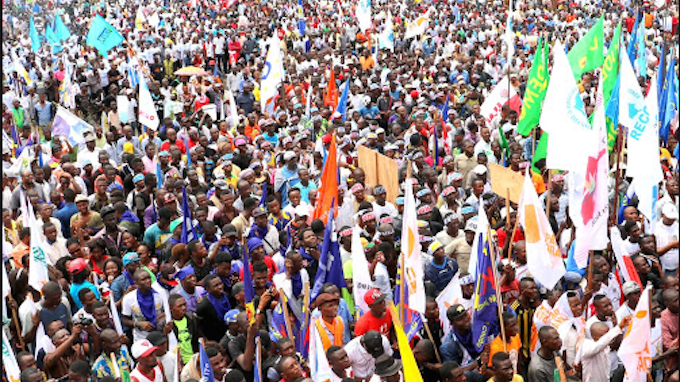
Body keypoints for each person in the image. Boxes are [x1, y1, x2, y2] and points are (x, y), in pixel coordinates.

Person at [121, 269, 167, 342]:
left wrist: (164, 315)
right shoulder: (129, 298)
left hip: (160, 336)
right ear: (136, 282)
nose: (148, 281)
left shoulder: (160, 293)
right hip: (141, 338)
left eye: (149, 278)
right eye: (143, 279)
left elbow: (169, 311)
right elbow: (124, 320)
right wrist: (138, 324)